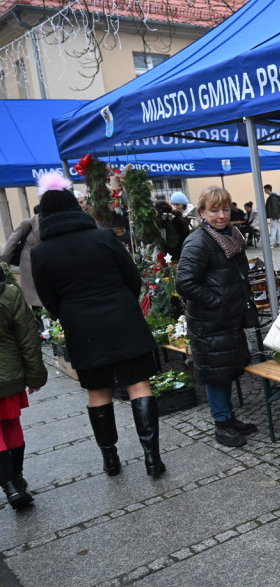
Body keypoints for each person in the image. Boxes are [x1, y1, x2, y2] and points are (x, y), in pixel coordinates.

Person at [30, 171, 165, 479]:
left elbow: (49, 299)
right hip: (122, 316)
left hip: (82, 326)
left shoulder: (41, 253)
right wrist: (123, 304)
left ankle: (111, 460)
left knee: (98, 392)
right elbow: (132, 278)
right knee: (139, 385)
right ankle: (151, 459)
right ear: (76, 209)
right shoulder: (104, 237)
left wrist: (72, 315)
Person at [176, 187, 257, 448]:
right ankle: (222, 425)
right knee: (216, 374)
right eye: (214, 210)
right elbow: (185, 283)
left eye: (225, 209)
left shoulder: (230, 235)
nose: (221, 215)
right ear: (201, 213)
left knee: (227, 369)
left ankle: (230, 419)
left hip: (227, 319)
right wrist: (218, 302)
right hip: (211, 321)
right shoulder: (199, 241)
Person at [0, 265, 47, 510]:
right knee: (10, 424)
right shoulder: (8, 293)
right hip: (7, 373)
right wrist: (35, 376)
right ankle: (16, 478)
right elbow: (27, 337)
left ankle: (9, 487)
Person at [1, 206, 43, 311]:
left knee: (35, 300)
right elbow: (12, 242)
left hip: (29, 264)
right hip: (34, 265)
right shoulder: (27, 224)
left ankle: (42, 324)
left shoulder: (27, 223)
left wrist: (5, 261)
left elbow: (11, 243)